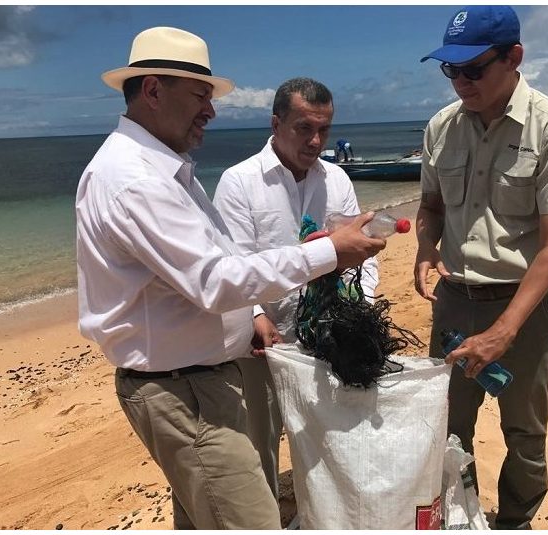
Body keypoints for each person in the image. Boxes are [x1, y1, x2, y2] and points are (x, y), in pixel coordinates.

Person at [75, 27, 385, 530]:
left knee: (205, 517)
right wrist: (328, 251)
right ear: (153, 90)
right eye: (201, 95)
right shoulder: (136, 180)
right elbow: (218, 281)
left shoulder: (166, 170)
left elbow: (220, 264)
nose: (211, 111)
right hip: (183, 391)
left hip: (198, 383)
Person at [413, 6, 548, 529]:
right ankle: (454, 517)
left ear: (514, 57)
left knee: (525, 431)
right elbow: (430, 206)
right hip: (453, 300)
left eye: (473, 69)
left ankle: (515, 521)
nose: (460, 82)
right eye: (451, 69)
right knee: (446, 423)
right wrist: (426, 246)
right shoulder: (441, 127)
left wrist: (503, 330)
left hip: (525, 307)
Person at [213, 77, 379, 499]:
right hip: (264, 339)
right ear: (276, 124)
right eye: (304, 128)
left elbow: (360, 249)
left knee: (325, 428)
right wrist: (255, 315)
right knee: (259, 438)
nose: (316, 140)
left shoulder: (336, 179)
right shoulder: (239, 182)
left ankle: (321, 511)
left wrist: (365, 304)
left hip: (328, 334)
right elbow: (232, 261)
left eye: (324, 128)